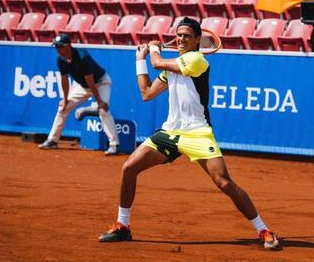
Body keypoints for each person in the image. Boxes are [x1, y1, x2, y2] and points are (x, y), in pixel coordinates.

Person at [98, 17, 281, 251]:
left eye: (186, 36)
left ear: (197, 40)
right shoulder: (173, 65)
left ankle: (263, 229)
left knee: (224, 182)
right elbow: (146, 93)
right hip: (171, 132)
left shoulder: (197, 60)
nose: (182, 39)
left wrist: (153, 50)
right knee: (128, 168)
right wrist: (138, 60)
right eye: (179, 35)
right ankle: (122, 226)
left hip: (198, 134)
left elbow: (158, 64)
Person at [39, 33, 119, 156]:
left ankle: (114, 145)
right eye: (56, 46)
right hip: (82, 85)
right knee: (63, 107)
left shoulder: (82, 57)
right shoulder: (60, 59)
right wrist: (65, 100)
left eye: (60, 46)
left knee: (103, 110)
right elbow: (64, 80)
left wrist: (100, 103)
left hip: (101, 83)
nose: (57, 49)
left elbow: (91, 83)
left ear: (68, 46)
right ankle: (52, 140)